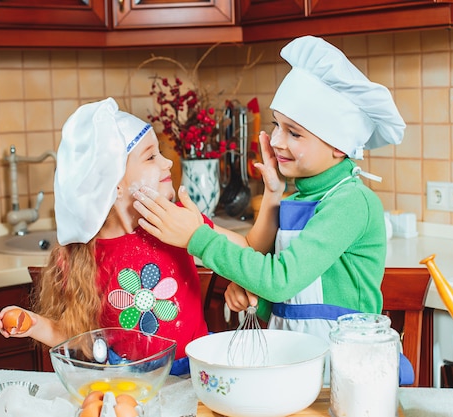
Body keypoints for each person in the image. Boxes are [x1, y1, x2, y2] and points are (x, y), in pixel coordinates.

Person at [132, 35, 413, 384]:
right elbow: (294, 299)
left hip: (348, 374)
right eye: (277, 126)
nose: (277, 140)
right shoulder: (296, 201)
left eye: (294, 133)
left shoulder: (351, 203)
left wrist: (198, 237)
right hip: (299, 366)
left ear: (339, 148)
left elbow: (281, 280)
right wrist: (257, 299)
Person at [0, 97, 280, 375]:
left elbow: (249, 251)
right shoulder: (79, 257)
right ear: (114, 184)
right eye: (151, 156)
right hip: (130, 388)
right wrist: (36, 325)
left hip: (194, 377)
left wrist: (272, 194)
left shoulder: (175, 221)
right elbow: (80, 337)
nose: (168, 163)